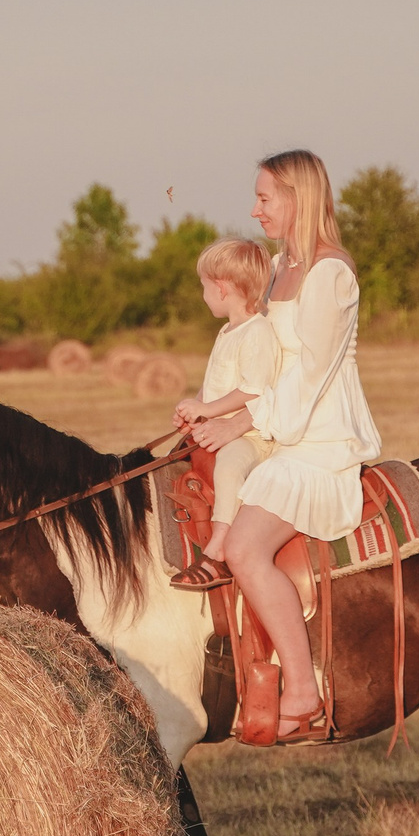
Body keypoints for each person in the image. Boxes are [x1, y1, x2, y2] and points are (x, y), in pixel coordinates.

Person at [185, 150, 383, 739]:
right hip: (278, 423)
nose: (255, 208)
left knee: (245, 548)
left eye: (265, 197)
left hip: (318, 438)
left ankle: (302, 689)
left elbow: (311, 377)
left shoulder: (330, 273)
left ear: (298, 197)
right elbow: (263, 358)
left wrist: (242, 422)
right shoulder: (276, 267)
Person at [170, 236, 280, 587]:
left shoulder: (258, 332)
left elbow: (252, 390)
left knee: (231, 464)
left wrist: (209, 408)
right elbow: (215, 382)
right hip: (221, 423)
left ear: (220, 289)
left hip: (251, 435)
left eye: (203, 287)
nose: (202, 295)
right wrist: (195, 410)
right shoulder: (227, 331)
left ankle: (218, 549)